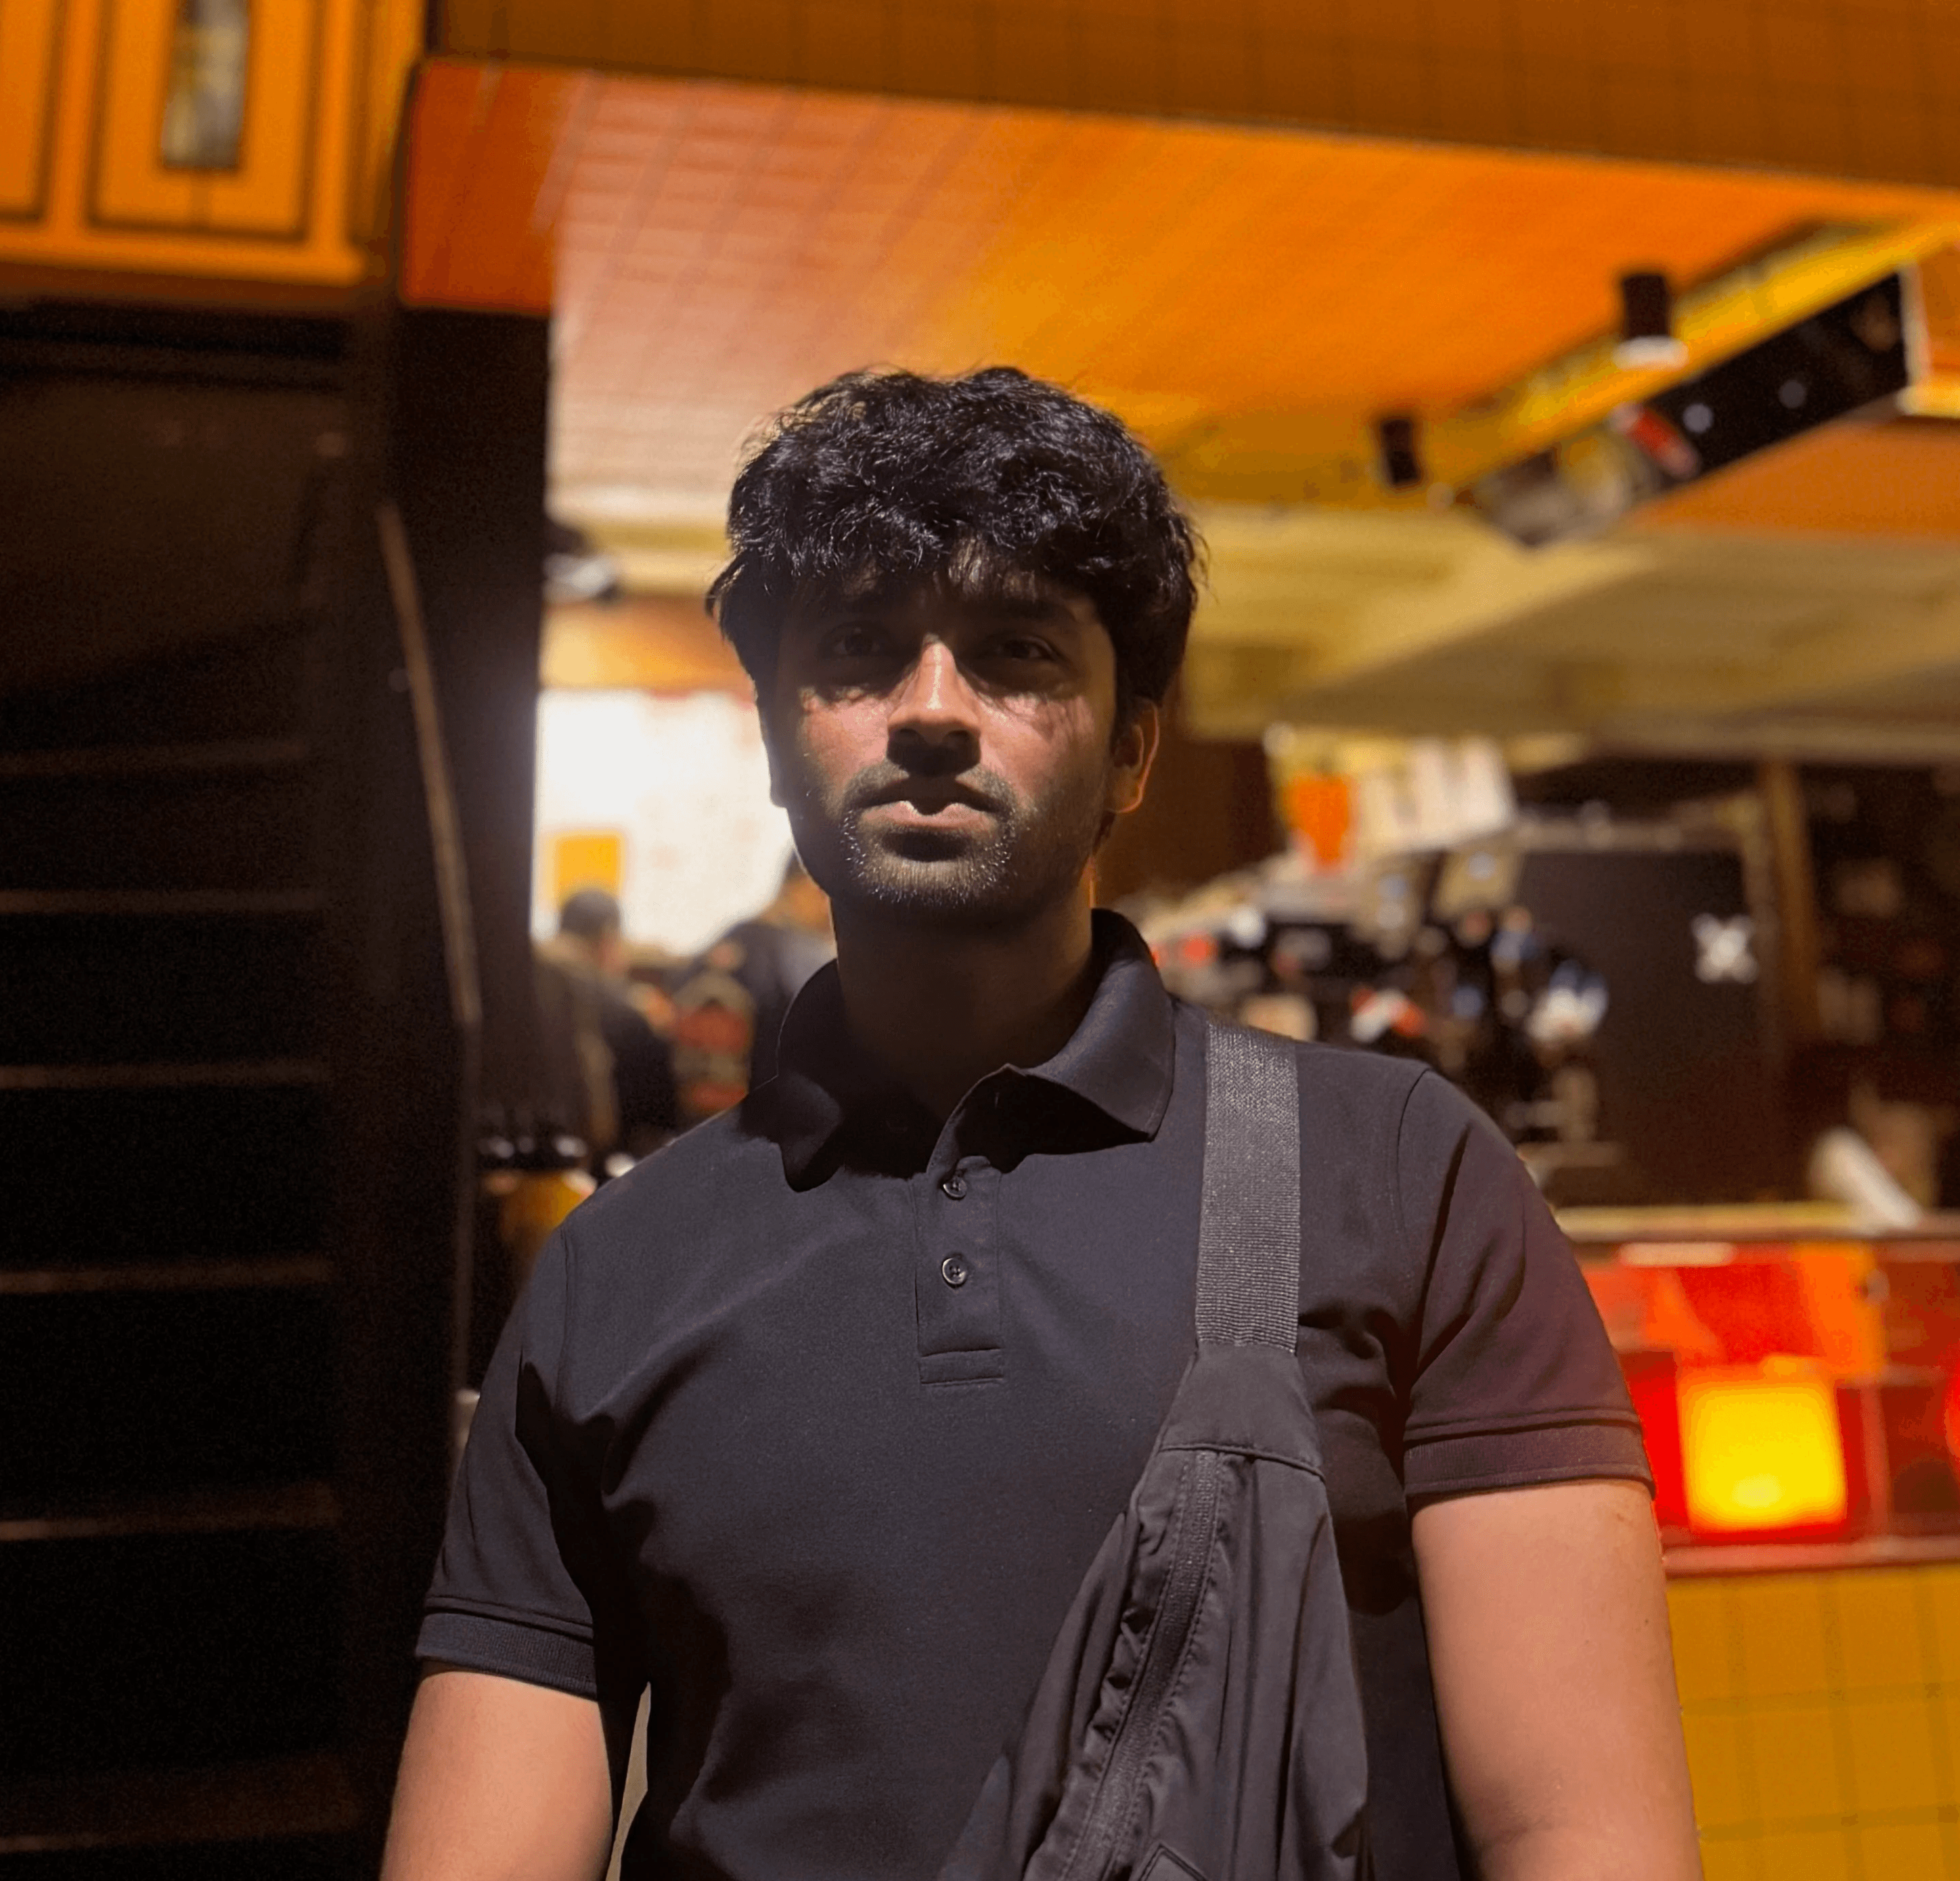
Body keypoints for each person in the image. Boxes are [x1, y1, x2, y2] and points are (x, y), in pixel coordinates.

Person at [384, 369, 1699, 1881]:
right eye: (859, 651)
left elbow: (1578, 1828)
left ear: (1132, 749)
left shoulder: (1399, 1171)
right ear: (774, 739)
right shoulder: (616, 1269)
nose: (931, 711)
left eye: (1014, 653)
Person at [535, 888, 679, 1165]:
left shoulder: (532, 981)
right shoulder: (626, 1010)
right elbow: (659, 1116)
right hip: (599, 1160)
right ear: (608, 940)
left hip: (536, 1146)